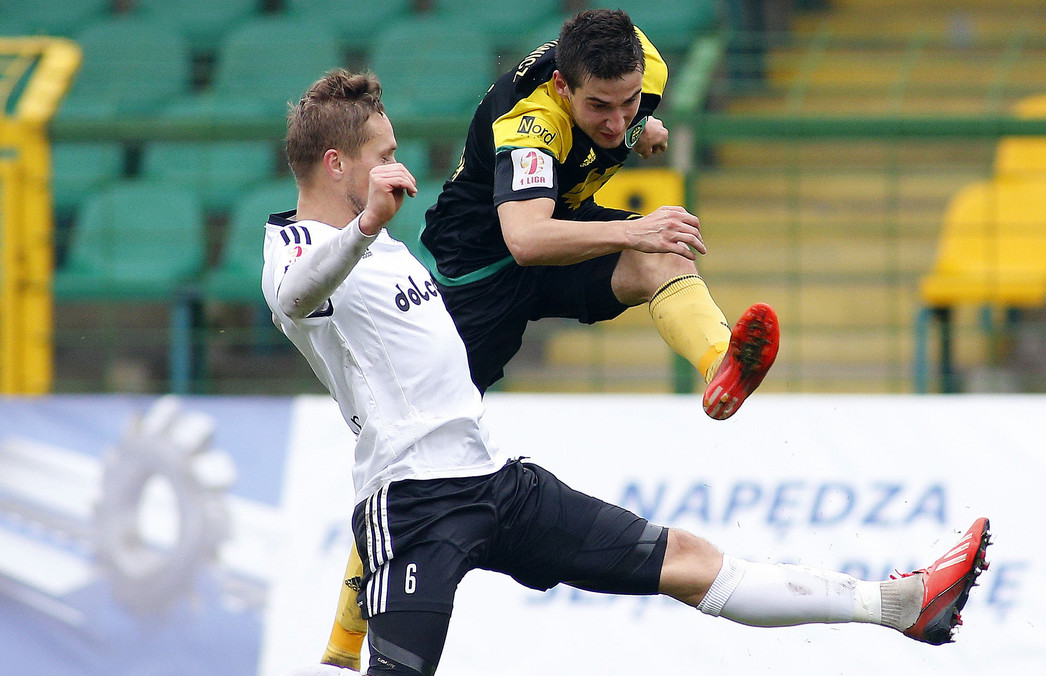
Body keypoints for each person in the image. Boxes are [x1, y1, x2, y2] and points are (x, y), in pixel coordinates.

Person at [265, 69, 992, 676]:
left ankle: (899, 606)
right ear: (337, 164)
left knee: (685, 559)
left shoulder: (380, 243)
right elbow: (295, 295)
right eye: (383, 153)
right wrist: (363, 229)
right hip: (416, 510)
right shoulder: (295, 249)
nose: (400, 167)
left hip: (493, 483)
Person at [414, 8, 778, 421]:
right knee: (435, 420)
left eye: (629, 103)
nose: (615, 122)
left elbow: (620, 117)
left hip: (561, 230)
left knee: (664, 254)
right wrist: (631, 231)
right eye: (599, 106)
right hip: (475, 272)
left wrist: (640, 127)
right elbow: (527, 240)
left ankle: (720, 367)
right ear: (562, 87)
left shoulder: (644, 67)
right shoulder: (531, 124)